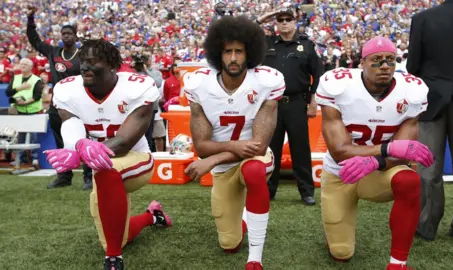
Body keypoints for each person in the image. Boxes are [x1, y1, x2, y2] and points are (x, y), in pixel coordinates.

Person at [43, 39, 172, 270]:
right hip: (101, 166)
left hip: (136, 159)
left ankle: (114, 258)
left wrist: (81, 153)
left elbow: (124, 142)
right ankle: (152, 216)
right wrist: (75, 144)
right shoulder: (67, 89)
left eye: (92, 61)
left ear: (112, 64)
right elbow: (70, 121)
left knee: (106, 171)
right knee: (117, 234)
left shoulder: (137, 86)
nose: (84, 67)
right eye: (83, 61)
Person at [316, 36, 434, 269]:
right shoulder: (338, 85)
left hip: (380, 172)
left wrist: (377, 161)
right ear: (362, 63)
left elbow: (404, 151)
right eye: (377, 60)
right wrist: (386, 148)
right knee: (341, 252)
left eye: (390, 60)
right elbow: (339, 151)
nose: (384, 66)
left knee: (409, 180)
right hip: (341, 174)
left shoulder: (411, 90)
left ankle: (397, 263)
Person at [183, 16, 285, 270]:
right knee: (229, 244)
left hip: (255, 159)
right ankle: (243, 220)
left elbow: (258, 146)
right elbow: (202, 145)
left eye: (239, 51)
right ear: (218, 53)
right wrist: (226, 151)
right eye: (228, 51)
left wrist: (216, 157)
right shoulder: (199, 84)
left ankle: (255, 258)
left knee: (253, 169)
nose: (233, 58)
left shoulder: (265, 82)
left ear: (249, 53)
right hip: (223, 170)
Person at [407, 0, 453, 243]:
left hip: (432, 97)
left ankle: (427, 224)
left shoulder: (422, 19)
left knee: (428, 166)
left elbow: (412, 65)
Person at [255, 8, 324, 205]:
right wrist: (264, 18)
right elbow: (248, 30)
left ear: (295, 22)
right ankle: (268, 189)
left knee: (300, 148)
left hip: (297, 102)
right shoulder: (266, 43)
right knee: (270, 147)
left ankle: (306, 191)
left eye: (288, 19)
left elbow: (318, 74)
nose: (284, 23)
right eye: (280, 20)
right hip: (271, 104)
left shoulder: (307, 45)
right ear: (275, 23)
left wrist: (313, 102)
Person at [26, 6, 92, 190]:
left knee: (83, 138)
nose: (65, 36)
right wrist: (31, 19)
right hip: (57, 103)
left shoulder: (84, 54)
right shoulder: (54, 52)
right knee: (60, 139)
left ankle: (88, 177)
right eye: (63, 34)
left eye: (69, 33)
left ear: (75, 36)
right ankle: (64, 176)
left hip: (79, 103)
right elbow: (34, 40)